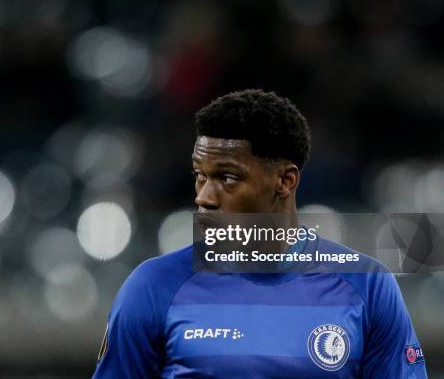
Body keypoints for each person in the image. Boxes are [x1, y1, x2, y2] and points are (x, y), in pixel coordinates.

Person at [92, 89, 427, 378]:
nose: (203, 197)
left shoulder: (367, 285)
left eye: (226, 177)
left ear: (285, 181)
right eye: (200, 175)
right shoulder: (153, 286)